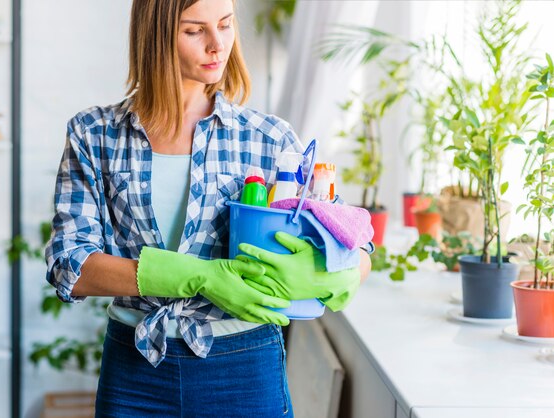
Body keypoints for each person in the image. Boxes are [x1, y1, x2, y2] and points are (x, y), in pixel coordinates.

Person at [45, 0, 372, 416]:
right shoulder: (95, 135)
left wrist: (343, 271)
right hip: (136, 370)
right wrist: (199, 276)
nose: (218, 45)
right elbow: (69, 267)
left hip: (244, 364)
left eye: (226, 25)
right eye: (195, 30)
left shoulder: (269, 139)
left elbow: (351, 240)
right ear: (156, 36)